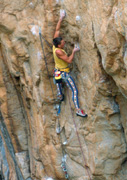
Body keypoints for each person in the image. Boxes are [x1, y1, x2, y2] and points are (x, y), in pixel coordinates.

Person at [53, 11, 87, 117]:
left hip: (57, 71)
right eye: (62, 42)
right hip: (64, 73)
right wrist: (74, 51)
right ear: (59, 45)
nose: (64, 42)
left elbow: (57, 30)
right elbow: (69, 61)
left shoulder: (55, 43)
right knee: (74, 91)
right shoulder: (59, 51)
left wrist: (61, 18)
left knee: (58, 82)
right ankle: (77, 109)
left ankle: (60, 94)